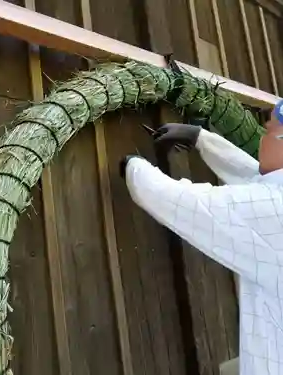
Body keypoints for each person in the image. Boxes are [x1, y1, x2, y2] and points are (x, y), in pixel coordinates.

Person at [120, 102, 283, 375]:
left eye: (272, 128)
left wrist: (133, 167)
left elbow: (176, 200)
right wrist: (202, 139)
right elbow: (254, 179)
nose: (265, 129)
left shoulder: (274, 210)